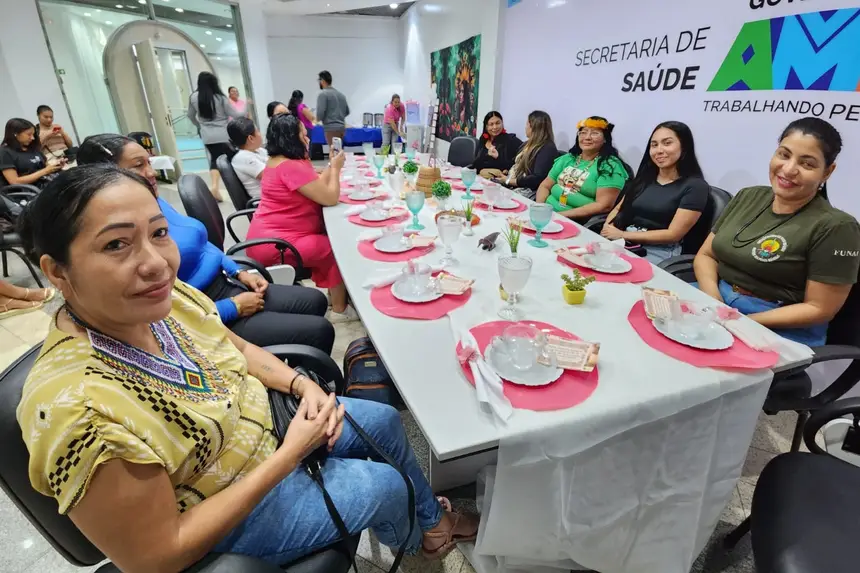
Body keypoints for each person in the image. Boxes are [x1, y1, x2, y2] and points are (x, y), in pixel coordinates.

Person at [16, 164, 479, 571]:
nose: (156, 264)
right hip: (230, 509)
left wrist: (300, 385)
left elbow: (235, 348)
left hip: (274, 426)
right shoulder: (79, 412)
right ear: (57, 271)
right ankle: (421, 542)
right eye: (117, 244)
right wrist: (289, 456)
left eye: (158, 233)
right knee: (386, 486)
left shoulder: (165, 300)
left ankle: (430, 523)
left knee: (383, 421)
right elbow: (157, 557)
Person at [76, 134, 335, 353]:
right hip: (206, 312)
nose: (151, 172)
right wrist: (232, 308)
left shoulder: (153, 202)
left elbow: (203, 244)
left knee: (314, 301)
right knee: (319, 330)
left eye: (149, 163)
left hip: (226, 283)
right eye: (138, 166)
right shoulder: (123, 238)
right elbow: (168, 317)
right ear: (107, 175)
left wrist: (238, 271)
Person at [693, 117, 860, 346]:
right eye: (784, 155)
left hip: (776, 322)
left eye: (807, 164)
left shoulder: (837, 227)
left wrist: (742, 322)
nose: (789, 169)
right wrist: (714, 301)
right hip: (718, 298)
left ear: (827, 172)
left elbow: (819, 308)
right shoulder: (748, 196)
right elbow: (706, 255)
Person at [246, 114, 357, 322]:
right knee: (334, 248)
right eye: (303, 135)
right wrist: (335, 168)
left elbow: (316, 186)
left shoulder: (281, 161)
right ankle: (340, 310)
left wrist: (331, 165)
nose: (307, 139)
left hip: (272, 236)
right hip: (276, 245)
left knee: (330, 236)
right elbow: (330, 197)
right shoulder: (290, 166)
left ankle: (335, 297)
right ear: (290, 138)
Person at [600, 121, 709, 263]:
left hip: (659, 250)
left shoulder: (696, 186)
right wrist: (608, 228)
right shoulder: (645, 178)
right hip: (625, 241)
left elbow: (673, 235)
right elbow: (619, 208)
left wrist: (622, 234)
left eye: (667, 143)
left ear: (684, 146)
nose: (659, 150)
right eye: (654, 145)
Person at [536, 116, 629, 222]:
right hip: (547, 213)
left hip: (575, 220)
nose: (587, 137)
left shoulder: (610, 166)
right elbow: (545, 185)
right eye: (583, 132)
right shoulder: (568, 158)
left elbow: (603, 205)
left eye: (594, 133)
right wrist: (540, 208)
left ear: (605, 139)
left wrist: (559, 216)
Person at [187, 72, 245, 202]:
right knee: (232, 160)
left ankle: (214, 187)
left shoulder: (194, 97)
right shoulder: (220, 98)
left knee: (214, 159)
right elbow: (235, 114)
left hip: (207, 135)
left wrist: (199, 125)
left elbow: (190, 115)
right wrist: (247, 107)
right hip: (223, 134)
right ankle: (239, 187)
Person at [502, 110, 558, 201]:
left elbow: (537, 178)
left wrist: (510, 181)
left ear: (533, 126)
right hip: (512, 184)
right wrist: (504, 172)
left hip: (527, 190)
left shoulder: (548, 148)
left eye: (527, 124)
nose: (525, 127)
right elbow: (514, 163)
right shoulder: (527, 144)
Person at [0, 118, 60, 188]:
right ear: (15, 134)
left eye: (33, 134)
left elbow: (46, 166)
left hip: (46, 183)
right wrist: (45, 171)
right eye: (29, 134)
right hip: (29, 190)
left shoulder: (32, 147)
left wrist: (56, 166)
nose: (32, 138)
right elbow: (14, 181)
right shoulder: (5, 152)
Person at [471, 111, 523, 179]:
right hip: (481, 176)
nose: (495, 127)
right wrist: (486, 155)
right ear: (486, 126)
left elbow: (515, 163)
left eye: (498, 123)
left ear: (502, 123)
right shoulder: (483, 139)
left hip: (500, 178)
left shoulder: (510, 139)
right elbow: (476, 164)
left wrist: (498, 157)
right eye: (491, 124)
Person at [228, 118, 269, 199]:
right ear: (251, 138)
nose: (260, 134)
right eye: (258, 131)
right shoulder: (243, 158)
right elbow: (272, 176)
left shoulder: (259, 150)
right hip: (265, 201)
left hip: (274, 196)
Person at [316, 70, 350, 150]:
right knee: (338, 151)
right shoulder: (341, 95)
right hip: (342, 128)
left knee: (334, 152)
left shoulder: (323, 94)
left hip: (330, 128)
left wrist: (316, 120)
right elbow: (347, 111)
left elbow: (320, 114)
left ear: (322, 80)